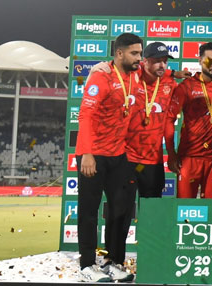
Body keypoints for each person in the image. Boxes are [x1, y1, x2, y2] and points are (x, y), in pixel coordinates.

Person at [74, 33, 141, 283]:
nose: (139, 58)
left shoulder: (135, 74)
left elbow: (159, 71)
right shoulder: (100, 76)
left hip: (118, 154)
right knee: (89, 211)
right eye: (134, 53)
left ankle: (114, 262)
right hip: (94, 154)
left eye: (140, 53)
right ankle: (87, 265)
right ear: (119, 53)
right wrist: (87, 153)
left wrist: (177, 75)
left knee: (121, 210)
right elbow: (86, 115)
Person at [166, 41, 212, 199]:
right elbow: (169, 120)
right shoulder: (186, 86)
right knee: (184, 209)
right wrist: (171, 153)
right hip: (189, 158)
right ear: (199, 60)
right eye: (210, 60)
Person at [125, 42, 176, 201]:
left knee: (152, 213)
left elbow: (169, 123)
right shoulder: (132, 77)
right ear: (144, 61)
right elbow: (118, 67)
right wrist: (101, 66)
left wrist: (172, 154)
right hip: (127, 158)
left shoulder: (171, 85)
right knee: (121, 210)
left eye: (165, 61)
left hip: (153, 161)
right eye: (157, 61)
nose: (162, 65)